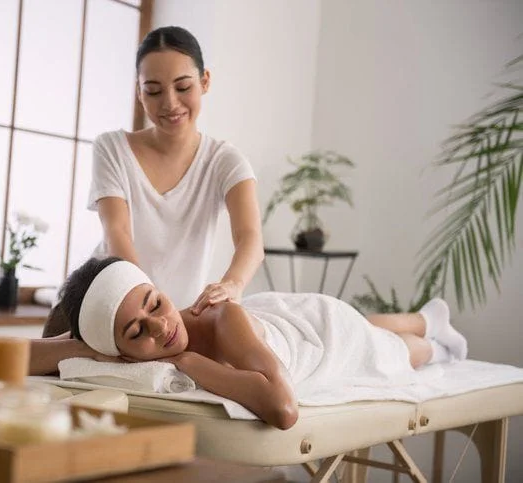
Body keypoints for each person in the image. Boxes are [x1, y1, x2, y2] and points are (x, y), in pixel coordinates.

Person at [28, 257, 468, 430]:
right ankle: (429, 317)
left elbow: (283, 409)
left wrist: (189, 361)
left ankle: (436, 340)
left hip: (323, 335)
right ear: (116, 350)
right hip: (279, 324)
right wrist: (89, 346)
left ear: (160, 288)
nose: (161, 327)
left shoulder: (218, 316)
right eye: (137, 331)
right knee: (371, 326)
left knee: (393, 351)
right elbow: (1, 362)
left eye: (155, 304)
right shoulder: (112, 344)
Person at [45, 26, 263, 337]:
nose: (170, 103)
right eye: (154, 90)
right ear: (139, 91)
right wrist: (148, 301)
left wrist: (232, 284)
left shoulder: (225, 161)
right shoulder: (112, 148)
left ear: (205, 82)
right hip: (100, 306)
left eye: (183, 87)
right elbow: (117, 232)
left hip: (165, 323)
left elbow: (250, 237)